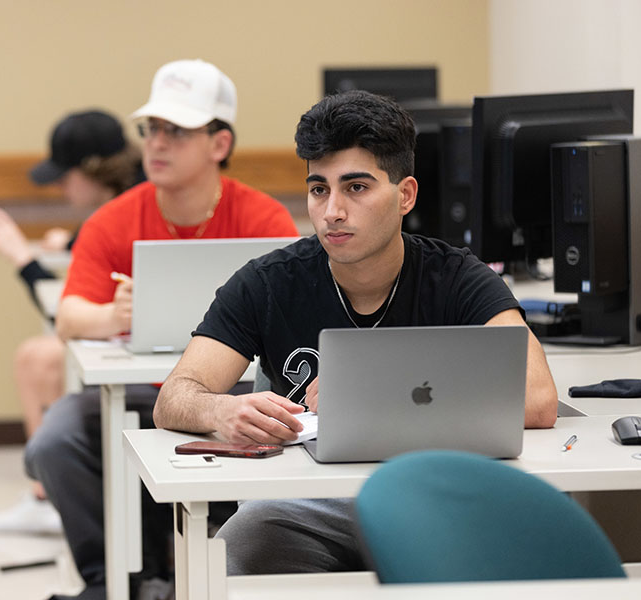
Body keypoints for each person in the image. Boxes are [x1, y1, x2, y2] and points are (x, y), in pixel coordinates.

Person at [153, 90, 559, 576]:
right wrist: (221, 409)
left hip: (434, 495)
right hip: (306, 506)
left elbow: (538, 398)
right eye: (319, 189)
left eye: (357, 188)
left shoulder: (457, 277)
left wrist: (374, 396)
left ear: (405, 194)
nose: (332, 212)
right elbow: (174, 398)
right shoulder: (268, 282)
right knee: (240, 542)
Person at [23, 59, 300, 600]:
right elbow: (69, 314)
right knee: (57, 438)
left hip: (236, 390)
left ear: (219, 144)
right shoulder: (114, 217)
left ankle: (220, 571)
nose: (157, 143)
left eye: (176, 130)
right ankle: (114, 581)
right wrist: (112, 316)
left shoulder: (263, 219)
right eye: (151, 129)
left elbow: (298, 316)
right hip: (136, 392)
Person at [0, 110, 143, 535]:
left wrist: (22, 258)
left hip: (133, 347)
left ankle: (47, 496)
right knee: (38, 354)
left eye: (65, 177)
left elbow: (61, 313)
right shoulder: (117, 207)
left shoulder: (129, 211)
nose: (60, 187)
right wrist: (69, 241)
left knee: (38, 358)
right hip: (125, 337)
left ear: (93, 171)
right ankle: (46, 492)